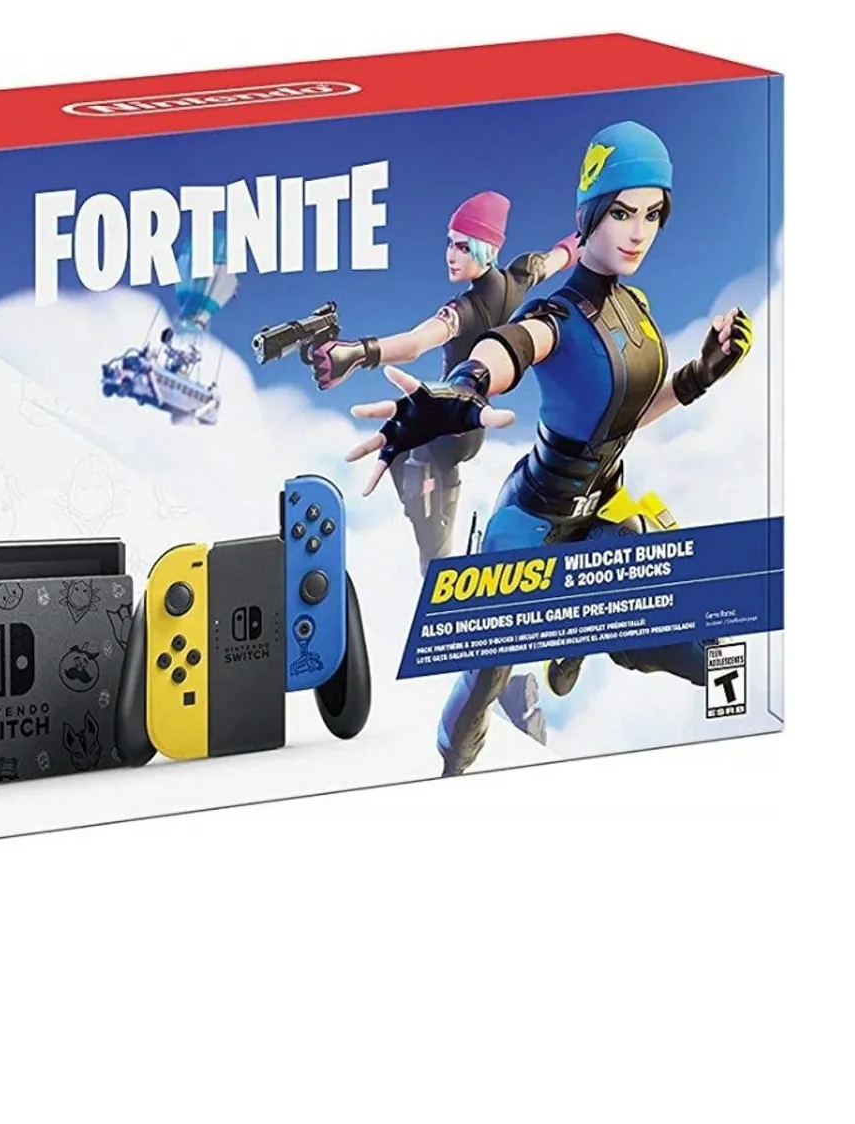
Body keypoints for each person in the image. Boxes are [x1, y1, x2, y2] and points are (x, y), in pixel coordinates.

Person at [346, 122, 754, 775]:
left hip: (604, 515)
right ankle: (450, 772)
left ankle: (578, 636)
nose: (638, 231)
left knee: (702, 645)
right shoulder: (558, 315)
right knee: (485, 678)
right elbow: (512, 344)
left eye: (652, 214)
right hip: (530, 521)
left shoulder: (637, 307)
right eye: (621, 211)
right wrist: (463, 388)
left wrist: (699, 375)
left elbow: (622, 419)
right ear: (591, 211)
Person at [311, 190, 576, 571]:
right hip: (464, 424)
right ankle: (440, 532)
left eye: (464, 247)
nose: (451, 255)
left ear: (487, 250)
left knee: (426, 528)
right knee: (405, 454)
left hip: (450, 429)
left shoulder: (465, 309)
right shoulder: (519, 278)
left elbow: (414, 344)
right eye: (450, 243)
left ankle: (438, 546)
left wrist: (358, 352)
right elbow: (559, 256)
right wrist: (586, 237)